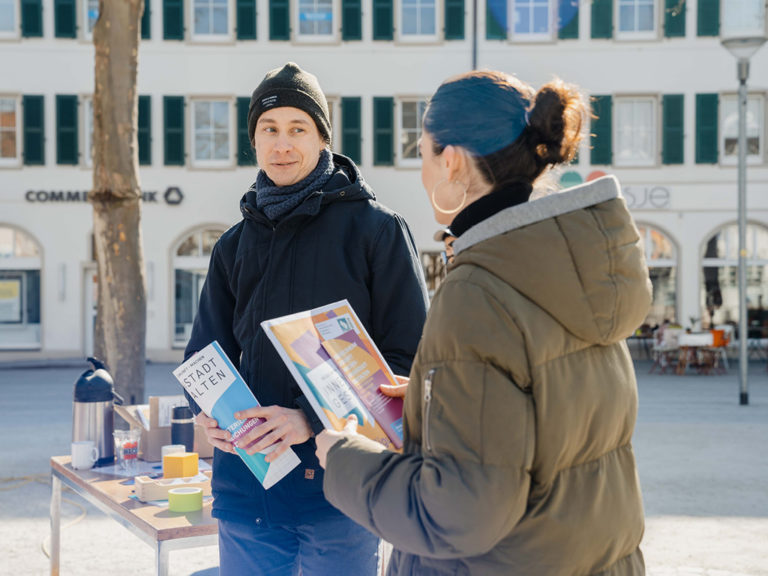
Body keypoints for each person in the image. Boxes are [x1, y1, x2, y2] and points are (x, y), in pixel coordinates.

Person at [316, 70, 653, 575]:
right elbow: (552, 416)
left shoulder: (478, 292)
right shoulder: (571, 266)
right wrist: (436, 400)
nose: (423, 172)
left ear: (450, 159)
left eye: (423, 154)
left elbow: (459, 513)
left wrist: (344, 458)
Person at [184, 62, 429, 576]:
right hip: (248, 491)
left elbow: (409, 365)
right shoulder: (233, 245)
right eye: (269, 129)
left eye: (298, 129)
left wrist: (309, 420)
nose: (282, 145)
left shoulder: (376, 231)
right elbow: (205, 357)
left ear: (322, 139)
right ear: (254, 141)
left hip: (340, 491)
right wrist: (208, 413)